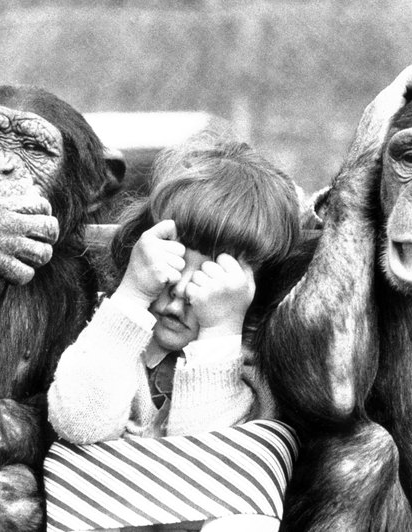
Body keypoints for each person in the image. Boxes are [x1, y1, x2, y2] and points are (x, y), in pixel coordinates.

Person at [46, 137, 301, 531]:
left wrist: (220, 329)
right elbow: (80, 422)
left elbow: (209, 481)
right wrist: (132, 293)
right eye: (175, 255)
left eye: (215, 273)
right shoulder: (103, 329)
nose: (182, 287)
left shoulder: (254, 365)